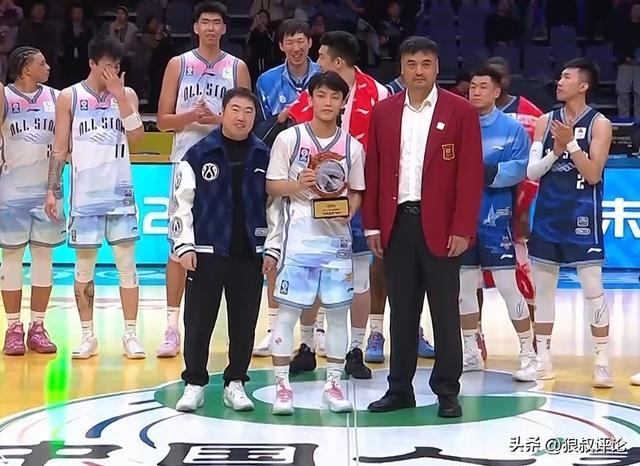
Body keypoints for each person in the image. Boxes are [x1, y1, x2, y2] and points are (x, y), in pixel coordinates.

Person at [363, 36, 483, 417]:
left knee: (445, 312)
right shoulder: (383, 112)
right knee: (401, 311)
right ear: (401, 67)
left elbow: (470, 174)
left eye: (426, 63)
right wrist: (372, 226)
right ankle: (399, 389)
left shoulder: (460, 111)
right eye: (411, 64)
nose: (418, 71)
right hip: (397, 224)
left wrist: (462, 227)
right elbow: (374, 170)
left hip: (443, 228)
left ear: (437, 67)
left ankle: (447, 390)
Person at [283, 31, 388, 379]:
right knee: (312, 272)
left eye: (322, 56)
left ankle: (355, 349)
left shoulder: (379, 94)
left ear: (337, 61)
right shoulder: (311, 93)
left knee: (359, 276)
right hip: (313, 203)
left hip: (359, 197)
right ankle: (307, 346)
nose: (318, 61)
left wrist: (357, 204)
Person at [263, 71, 365, 415]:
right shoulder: (289, 139)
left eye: (335, 97)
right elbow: (272, 185)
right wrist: (298, 184)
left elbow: (357, 191)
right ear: (310, 99)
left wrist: (349, 211)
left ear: (343, 102)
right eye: (321, 95)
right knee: (287, 313)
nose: (327, 102)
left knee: (337, 315)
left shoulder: (352, 147)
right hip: (299, 242)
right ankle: (282, 386)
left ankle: (333, 385)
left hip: (337, 244)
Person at [156, 1, 251, 358]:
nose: (211, 28)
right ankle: (171, 327)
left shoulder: (237, 67)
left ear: (225, 28)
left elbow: (248, 119)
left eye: (217, 22)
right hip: (186, 161)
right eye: (205, 22)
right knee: (178, 245)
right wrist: (190, 117)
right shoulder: (178, 64)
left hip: (228, 163)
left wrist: (217, 120)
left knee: (229, 245)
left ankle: (230, 330)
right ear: (195, 27)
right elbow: (162, 121)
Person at [44, 35, 146, 359]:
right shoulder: (69, 97)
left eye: (116, 66)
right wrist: (53, 190)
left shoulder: (127, 94)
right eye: (106, 67)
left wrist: (120, 97)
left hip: (121, 197)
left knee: (127, 267)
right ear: (91, 63)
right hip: (85, 200)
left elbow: (138, 139)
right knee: (84, 270)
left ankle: (130, 335)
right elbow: (60, 148)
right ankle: (88, 335)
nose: (111, 72)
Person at [171, 88, 270, 412]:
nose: (241, 117)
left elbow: (274, 207)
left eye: (248, 112)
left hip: (250, 254)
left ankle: (236, 382)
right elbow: (181, 204)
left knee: (244, 322)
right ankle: (194, 384)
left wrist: (272, 248)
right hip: (205, 251)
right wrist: (184, 245)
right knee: (198, 322)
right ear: (223, 113)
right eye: (235, 110)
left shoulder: (264, 155)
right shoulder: (198, 154)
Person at [526, 58, 613, 388]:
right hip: (548, 216)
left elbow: (593, 174)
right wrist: (555, 151)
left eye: (566, 77)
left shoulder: (600, 124)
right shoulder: (544, 121)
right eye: (560, 76)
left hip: (582, 215)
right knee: (544, 292)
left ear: (583, 85)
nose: (559, 82)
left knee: (592, 289)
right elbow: (532, 172)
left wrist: (571, 144)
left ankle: (602, 361)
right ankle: (543, 359)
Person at [460, 66, 535, 381]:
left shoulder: (511, 128)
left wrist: (483, 172)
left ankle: (528, 353)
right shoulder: (457, 124)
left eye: (483, 87)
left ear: (496, 92)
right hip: (461, 221)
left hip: (495, 220)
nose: (476, 92)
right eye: (472, 86)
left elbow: (520, 167)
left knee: (507, 287)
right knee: (464, 289)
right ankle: (470, 351)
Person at [252, 18, 320, 358]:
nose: (296, 47)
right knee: (275, 249)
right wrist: (278, 119)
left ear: (310, 43)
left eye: (301, 40)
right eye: (289, 41)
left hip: (321, 172)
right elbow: (258, 129)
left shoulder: (324, 75)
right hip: (280, 172)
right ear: (280, 46)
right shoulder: (266, 81)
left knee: (320, 252)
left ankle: (315, 330)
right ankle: (274, 329)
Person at [474, 56, 543, 361]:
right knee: (469, 281)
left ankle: (532, 344)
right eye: (475, 84)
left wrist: (525, 210)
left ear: (503, 84)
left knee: (519, 280)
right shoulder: (466, 117)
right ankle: (475, 338)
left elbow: (533, 167)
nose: (479, 90)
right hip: (473, 211)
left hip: (511, 212)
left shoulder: (528, 115)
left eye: (494, 78)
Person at [0, 47, 61, 356]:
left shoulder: (57, 97)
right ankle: (13, 327)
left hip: (48, 191)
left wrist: (55, 186)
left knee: (43, 258)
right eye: (42, 63)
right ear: (25, 69)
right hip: (11, 191)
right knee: (11, 258)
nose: (47, 67)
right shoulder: (4, 96)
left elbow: (63, 145)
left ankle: (38, 326)